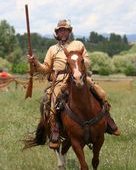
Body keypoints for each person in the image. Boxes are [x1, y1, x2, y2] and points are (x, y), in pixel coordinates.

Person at [28, 19, 120, 149]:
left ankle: (108, 121)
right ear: (57, 33)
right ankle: (55, 130)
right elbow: (46, 69)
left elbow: (87, 60)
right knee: (53, 102)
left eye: (65, 30)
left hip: (78, 75)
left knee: (101, 93)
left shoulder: (78, 45)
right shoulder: (52, 49)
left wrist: (78, 63)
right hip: (60, 79)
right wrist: (35, 63)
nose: (63, 32)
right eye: (60, 30)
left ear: (69, 32)